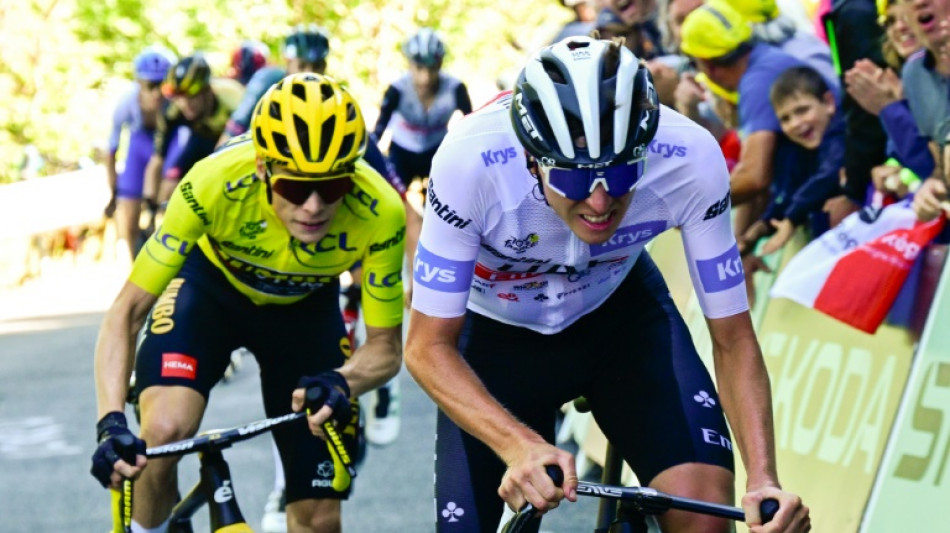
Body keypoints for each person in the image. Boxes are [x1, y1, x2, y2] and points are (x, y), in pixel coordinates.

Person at [404, 36, 810, 533]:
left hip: (621, 322)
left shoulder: (690, 157)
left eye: (620, 176)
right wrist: (517, 445)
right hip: (495, 338)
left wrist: (764, 479)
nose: (599, 203)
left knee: (704, 517)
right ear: (533, 160)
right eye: (574, 180)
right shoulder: (469, 162)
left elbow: (733, 337)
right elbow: (426, 348)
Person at [90, 73, 406, 533]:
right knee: (162, 433)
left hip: (304, 309)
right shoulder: (212, 182)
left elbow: (385, 350)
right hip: (210, 292)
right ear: (263, 169)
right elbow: (126, 312)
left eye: (334, 187)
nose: (314, 206)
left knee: (320, 518)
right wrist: (110, 423)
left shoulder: (381, 211)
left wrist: (342, 381)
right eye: (296, 189)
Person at [745, 66, 845, 255]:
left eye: (802, 110)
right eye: (785, 119)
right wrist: (762, 226)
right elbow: (791, 193)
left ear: (829, 102)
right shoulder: (799, 150)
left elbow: (828, 175)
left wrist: (792, 220)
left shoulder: (840, 132)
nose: (795, 124)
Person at [372, 27, 473, 200]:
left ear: (440, 64)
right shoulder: (397, 89)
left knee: (445, 200)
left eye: (432, 68)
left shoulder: (455, 88)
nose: (425, 77)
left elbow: (472, 124)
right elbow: (379, 130)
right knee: (392, 198)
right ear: (409, 64)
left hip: (436, 150)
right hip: (402, 151)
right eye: (419, 68)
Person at [104, 46, 177, 260]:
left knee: (168, 194)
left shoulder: (175, 101)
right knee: (128, 207)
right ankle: (134, 261)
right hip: (140, 146)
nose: (157, 93)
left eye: (162, 85)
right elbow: (111, 153)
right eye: (150, 86)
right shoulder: (126, 103)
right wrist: (114, 193)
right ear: (139, 84)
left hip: (167, 148)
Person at [144, 54, 244, 209]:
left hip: (236, 142)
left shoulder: (233, 98)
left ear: (207, 90)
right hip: (202, 138)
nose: (185, 104)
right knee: (171, 180)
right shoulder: (172, 110)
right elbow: (157, 158)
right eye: (179, 97)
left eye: (192, 97)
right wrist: (151, 201)